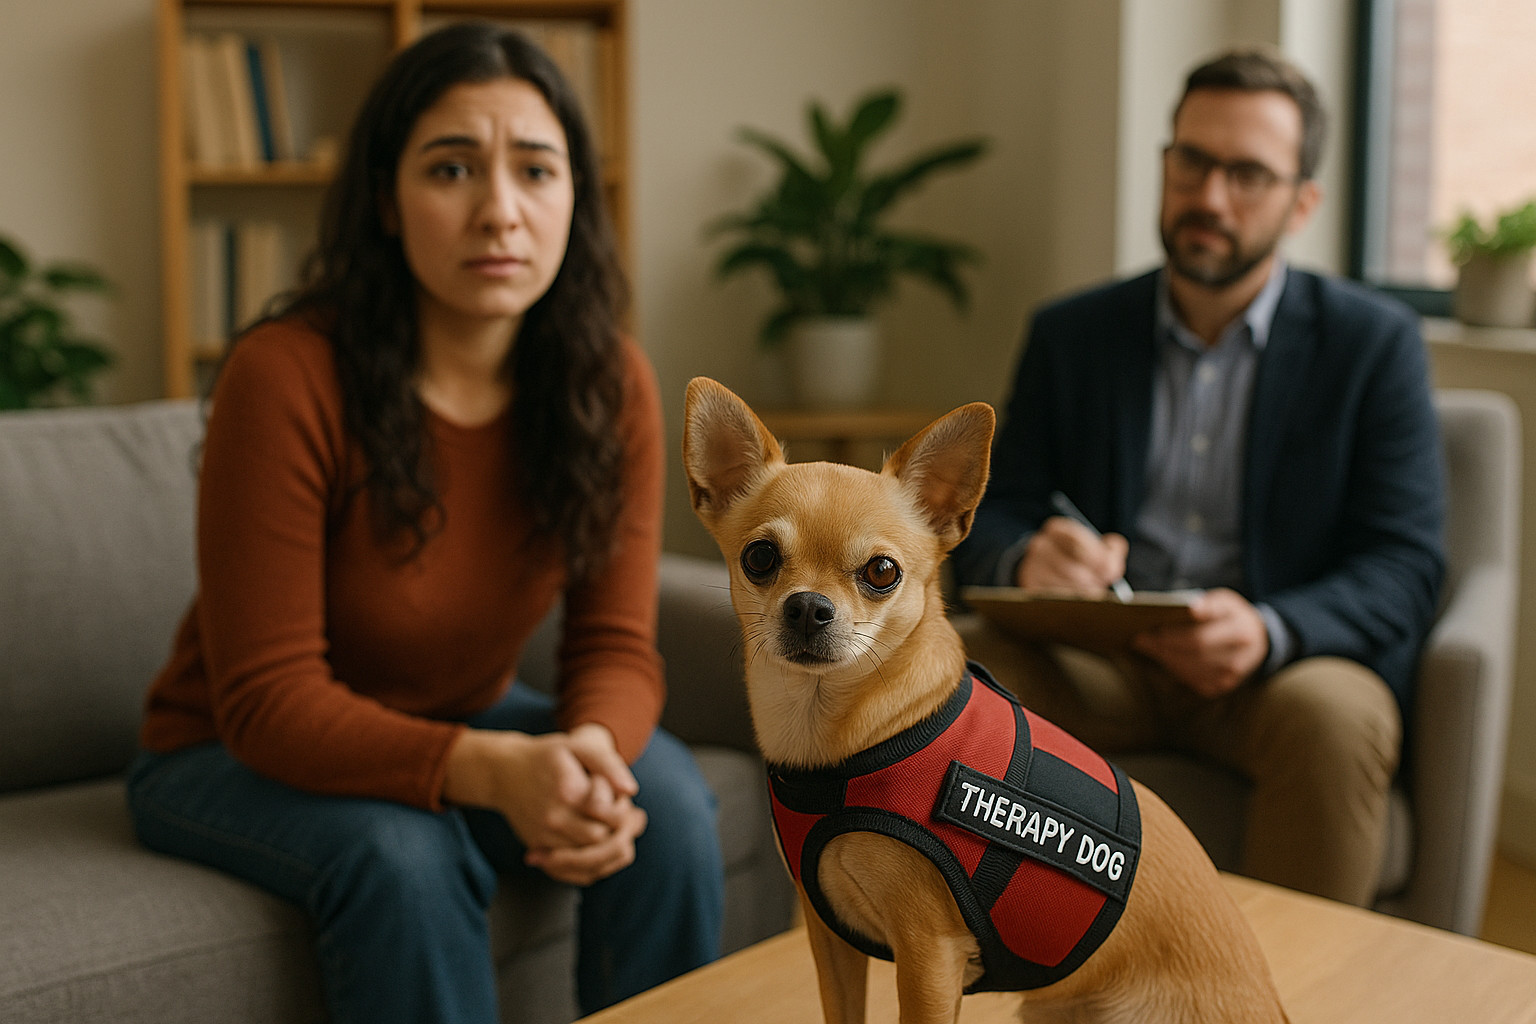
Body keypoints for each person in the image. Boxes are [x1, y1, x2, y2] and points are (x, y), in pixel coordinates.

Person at [126, 22, 723, 1022]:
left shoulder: (608, 380)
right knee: (401, 853)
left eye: (536, 170)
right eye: (451, 169)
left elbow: (617, 644)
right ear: (385, 202)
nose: (499, 211)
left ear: (576, 198)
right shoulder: (286, 374)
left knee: (659, 802)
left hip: (456, 718)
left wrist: (587, 761)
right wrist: (489, 767)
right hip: (224, 752)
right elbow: (269, 698)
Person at [952, 47, 1445, 907]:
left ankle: (1287, 994)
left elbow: (1403, 565)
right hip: (1102, 658)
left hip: (1277, 669)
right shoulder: (1072, 334)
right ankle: (1008, 959)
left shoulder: (1376, 345)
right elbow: (993, 513)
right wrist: (1027, 556)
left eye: (1248, 173)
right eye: (1193, 162)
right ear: (1166, 164)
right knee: (952, 671)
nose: (1211, 197)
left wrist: (1269, 628)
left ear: (1303, 202)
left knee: (1339, 719)